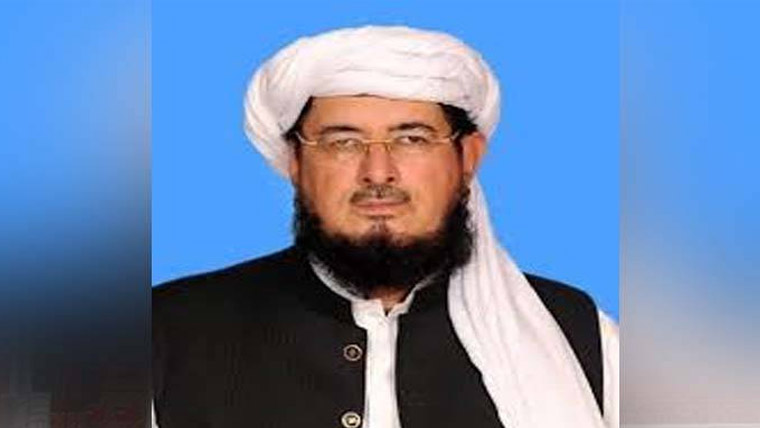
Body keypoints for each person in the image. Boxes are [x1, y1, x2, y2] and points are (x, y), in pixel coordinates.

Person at [152, 25, 618, 428]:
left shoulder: (577, 333)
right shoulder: (169, 332)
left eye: (412, 139)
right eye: (343, 142)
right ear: (295, 161)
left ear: (468, 158)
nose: (378, 172)